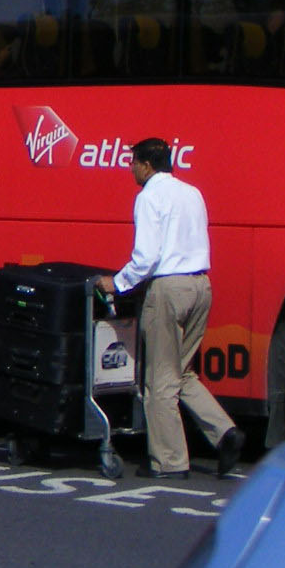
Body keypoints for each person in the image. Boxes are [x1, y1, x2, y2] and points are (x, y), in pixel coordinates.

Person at [94, 137, 244, 480]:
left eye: (133, 163)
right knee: (182, 372)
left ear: (147, 165)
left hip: (169, 289)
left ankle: (170, 462)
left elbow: (147, 256)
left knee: (160, 380)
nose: (131, 169)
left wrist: (117, 282)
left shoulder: (149, 197)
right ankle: (225, 433)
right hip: (200, 286)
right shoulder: (192, 193)